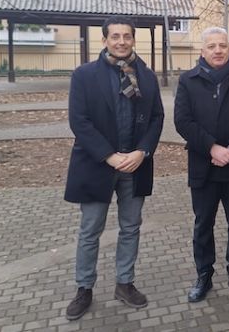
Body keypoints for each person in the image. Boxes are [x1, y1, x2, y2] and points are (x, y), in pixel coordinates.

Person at [64, 16, 164, 321]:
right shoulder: (84, 75)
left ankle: (124, 283)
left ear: (133, 39)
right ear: (105, 40)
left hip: (135, 165)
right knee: (90, 230)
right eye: (115, 36)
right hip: (97, 165)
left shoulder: (145, 76)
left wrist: (142, 151)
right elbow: (79, 121)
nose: (121, 41)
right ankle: (84, 289)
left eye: (127, 36)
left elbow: (158, 117)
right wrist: (109, 155)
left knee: (131, 228)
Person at [174, 27, 229, 302]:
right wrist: (212, 147)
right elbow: (182, 121)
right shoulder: (188, 81)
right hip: (204, 166)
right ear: (202, 51)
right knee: (203, 225)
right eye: (211, 46)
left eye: (222, 45)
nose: (217, 50)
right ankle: (204, 275)